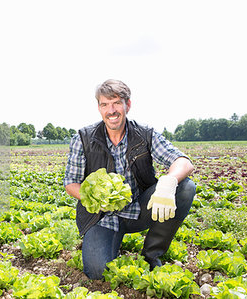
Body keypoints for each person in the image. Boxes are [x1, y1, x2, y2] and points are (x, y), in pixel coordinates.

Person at [63, 79, 196, 280]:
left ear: (128, 105)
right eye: (104, 104)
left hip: (140, 208)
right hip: (102, 216)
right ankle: (109, 242)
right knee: (98, 273)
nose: (111, 110)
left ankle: (151, 254)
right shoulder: (83, 138)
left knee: (185, 187)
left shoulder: (145, 134)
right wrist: (96, 198)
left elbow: (183, 162)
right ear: (99, 108)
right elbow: (71, 182)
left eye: (116, 102)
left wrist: (168, 183)